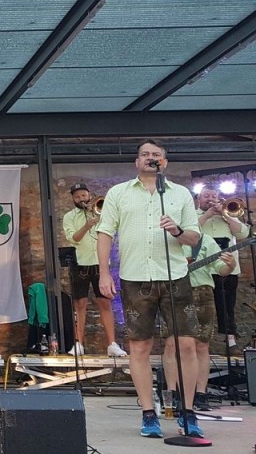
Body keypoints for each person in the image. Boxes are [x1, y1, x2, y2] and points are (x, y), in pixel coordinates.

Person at [97, 139, 202, 438]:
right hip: (135, 278)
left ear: (164, 163)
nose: (150, 158)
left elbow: (194, 237)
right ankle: (148, 412)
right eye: (145, 154)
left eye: (156, 155)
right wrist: (104, 273)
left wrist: (177, 231)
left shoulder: (179, 194)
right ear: (137, 161)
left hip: (175, 276)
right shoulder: (118, 193)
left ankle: (188, 411)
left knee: (186, 344)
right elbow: (105, 233)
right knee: (140, 346)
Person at [164, 233, 235, 413]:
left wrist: (230, 265)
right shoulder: (163, 238)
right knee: (172, 344)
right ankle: (172, 394)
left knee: (202, 345)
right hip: (173, 291)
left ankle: (201, 393)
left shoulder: (205, 240)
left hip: (202, 292)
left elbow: (220, 269)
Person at [61, 183, 127, 357]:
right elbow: (74, 238)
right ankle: (78, 344)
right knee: (80, 305)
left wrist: (98, 216)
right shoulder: (69, 217)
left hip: (100, 263)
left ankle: (112, 344)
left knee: (105, 303)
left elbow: (112, 230)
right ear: (73, 199)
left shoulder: (100, 211)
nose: (81, 199)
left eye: (84, 195)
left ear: (89, 195)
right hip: (80, 263)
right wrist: (87, 225)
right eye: (77, 197)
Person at [196, 185, 249, 356]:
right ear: (198, 199)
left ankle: (231, 342)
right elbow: (189, 232)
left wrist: (224, 215)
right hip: (201, 270)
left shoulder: (229, 215)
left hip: (228, 269)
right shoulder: (193, 216)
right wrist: (207, 215)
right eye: (206, 196)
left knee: (227, 306)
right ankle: (200, 343)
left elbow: (243, 234)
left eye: (213, 196)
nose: (210, 199)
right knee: (200, 308)